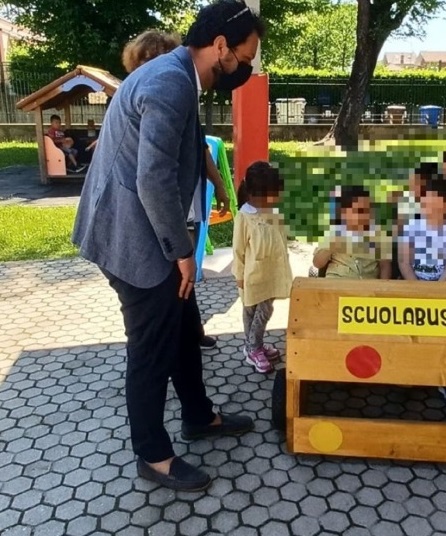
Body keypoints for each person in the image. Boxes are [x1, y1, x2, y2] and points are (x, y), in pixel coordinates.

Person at [72, 0, 264, 492]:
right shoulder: (170, 82)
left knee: (182, 325)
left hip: (144, 227)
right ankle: (152, 455)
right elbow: (153, 178)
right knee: (151, 347)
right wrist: (182, 252)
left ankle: (199, 416)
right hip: (131, 238)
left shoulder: (179, 73)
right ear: (219, 45)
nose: (244, 68)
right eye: (244, 58)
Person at [121, 29, 232, 350]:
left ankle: (189, 332)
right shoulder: (152, 92)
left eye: (161, 59)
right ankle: (168, 342)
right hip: (148, 217)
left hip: (180, 206)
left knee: (184, 276)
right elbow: (151, 177)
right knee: (170, 285)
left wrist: (220, 185)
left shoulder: (177, 90)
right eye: (147, 62)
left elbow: (200, 150)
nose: (156, 68)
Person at [232, 162, 292, 374]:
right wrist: (239, 275)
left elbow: (280, 239)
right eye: (274, 194)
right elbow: (238, 250)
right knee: (252, 311)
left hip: (272, 273)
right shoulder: (245, 217)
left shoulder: (273, 212)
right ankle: (252, 348)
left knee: (263, 310)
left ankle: (254, 345)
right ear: (260, 195)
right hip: (253, 276)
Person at [398, 163, 446, 282]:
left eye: (435, 204)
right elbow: (404, 262)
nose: (427, 203)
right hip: (413, 284)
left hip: (441, 288)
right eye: (426, 199)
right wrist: (415, 285)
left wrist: (436, 289)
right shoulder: (411, 228)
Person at [313, 185, 393, 280]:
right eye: (359, 211)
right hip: (337, 283)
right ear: (344, 213)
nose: (365, 216)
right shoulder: (334, 231)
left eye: (368, 210)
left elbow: (385, 266)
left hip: (368, 286)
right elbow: (317, 263)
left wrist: (382, 289)